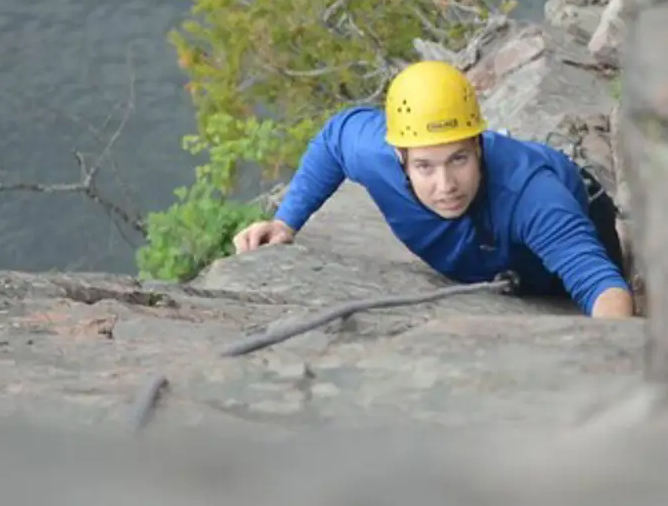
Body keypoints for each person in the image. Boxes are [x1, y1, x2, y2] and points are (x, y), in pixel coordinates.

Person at [232, 60, 635, 319]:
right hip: (497, 259)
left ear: (479, 146)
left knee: (588, 274)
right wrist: (286, 221)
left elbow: (602, 289)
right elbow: (334, 137)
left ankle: (626, 236)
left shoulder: (532, 198)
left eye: (459, 159)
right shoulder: (374, 152)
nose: (445, 187)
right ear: (400, 158)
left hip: (569, 220)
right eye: (425, 166)